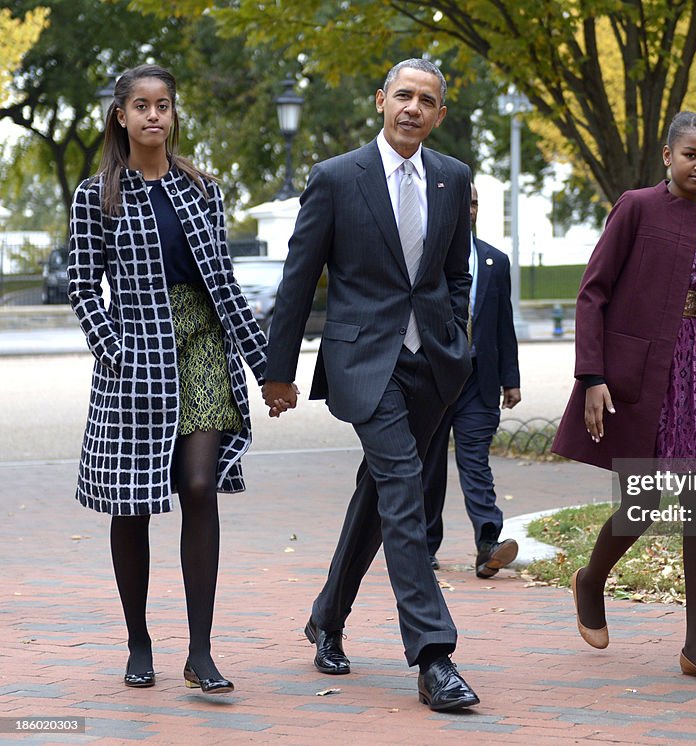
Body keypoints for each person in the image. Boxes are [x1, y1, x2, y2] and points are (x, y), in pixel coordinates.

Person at [261, 58, 480, 711]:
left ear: (439, 113)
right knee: (406, 492)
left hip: (433, 366)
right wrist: (279, 371)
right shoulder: (335, 179)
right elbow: (299, 280)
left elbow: (454, 272)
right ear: (381, 100)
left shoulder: (451, 177)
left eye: (427, 100)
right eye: (403, 95)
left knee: (381, 493)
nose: (413, 107)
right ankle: (434, 655)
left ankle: (327, 616)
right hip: (365, 362)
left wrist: (458, 342)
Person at [551, 112, 696, 686]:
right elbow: (593, 294)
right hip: (640, 372)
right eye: (691, 155)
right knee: (645, 501)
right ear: (668, 155)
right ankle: (591, 578)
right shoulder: (635, 207)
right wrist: (592, 376)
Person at [67, 64, 272, 695]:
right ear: (121, 116)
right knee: (131, 503)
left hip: (204, 343)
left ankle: (201, 651)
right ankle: (138, 641)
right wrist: (114, 350)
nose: (154, 115)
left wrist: (268, 367)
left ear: (173, 114)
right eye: (141, 106)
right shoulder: (95, 196)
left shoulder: (201, 189)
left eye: (163, 105)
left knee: (199, 484)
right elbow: (82, 286)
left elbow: (226, 285)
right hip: (136, 354)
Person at [422, 184, 522, 577]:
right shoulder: (425, 256)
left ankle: (488, 543)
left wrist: (510, 379)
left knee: (475, 461)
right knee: (429, 467)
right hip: (433, 377)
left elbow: (503, 324)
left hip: (479, 380)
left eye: (475, 202)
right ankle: (426, 546)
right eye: (463, 202)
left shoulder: (495, 261)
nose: (469, 209)